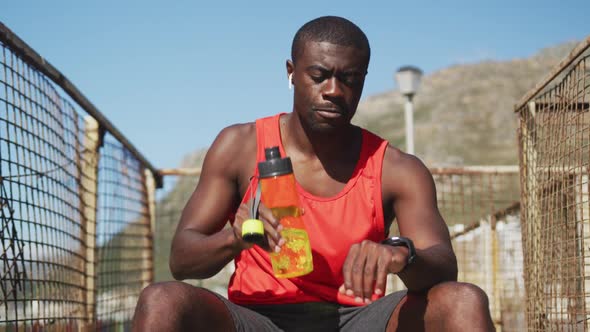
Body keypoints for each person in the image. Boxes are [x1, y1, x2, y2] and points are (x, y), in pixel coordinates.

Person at [132, 16, 495, 331]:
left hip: (358, 318)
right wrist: (236, 238)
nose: (334, 91)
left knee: (463, 301)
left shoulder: (397, 169)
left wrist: (401, 253)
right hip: (259, 317)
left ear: (364, 79)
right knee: (162, 300)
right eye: (319, 76)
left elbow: (444, 264)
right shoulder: (239, 146)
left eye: (350, 78)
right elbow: (181, 259)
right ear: (291, 73)